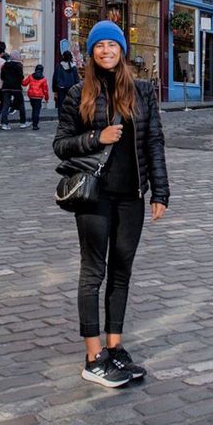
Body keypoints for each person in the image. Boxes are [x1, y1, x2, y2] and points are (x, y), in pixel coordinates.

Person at [53, 20, 170, 389]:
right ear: (91, 52)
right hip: (94, 194)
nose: (106, 51)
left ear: (122, 51)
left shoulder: (143, 91)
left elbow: (154, 142)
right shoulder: (77, 94)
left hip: (131, 196)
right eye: (99, 45)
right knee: (93, 273)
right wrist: (96, 137)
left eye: (112, 45)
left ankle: (115, 346)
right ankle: (93, 356)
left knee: (122, 272)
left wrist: (161, 192)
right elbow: (61, 144)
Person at [0, 50, 30, 128]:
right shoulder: (19, 65)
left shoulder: (5, 65)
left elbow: (2, 76)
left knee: (5, 105)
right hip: (16, 87)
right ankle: (23, 122)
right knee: (21, 104)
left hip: (6, 87)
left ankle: (4, 123)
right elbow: (20, 76)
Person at [23, 64, 50, 129]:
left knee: (34, 109)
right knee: (37, 110)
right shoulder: (43, 79)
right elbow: (45, 90)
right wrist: (46, 98)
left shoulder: (30, 76)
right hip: (38, 96)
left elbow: (24, 84)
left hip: (31, 95)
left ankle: (34, 122)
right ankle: (35, 125)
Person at [52, 50, 79, 114]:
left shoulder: (59, 66)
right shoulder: (74, 67)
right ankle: (69, 121)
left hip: (61, 89)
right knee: (71, 106)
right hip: (72, 89)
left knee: (61, 106)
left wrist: (55, 90)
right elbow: (76, 79)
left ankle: (61, 121)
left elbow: (55, 79)